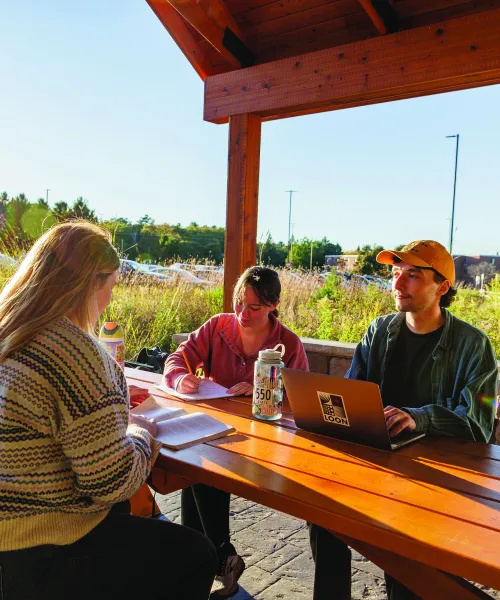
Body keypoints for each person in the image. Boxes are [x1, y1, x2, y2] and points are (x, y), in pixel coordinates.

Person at [0, 221, 217, 600]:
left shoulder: (11, 332)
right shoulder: (71, 351)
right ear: (88, 283)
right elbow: (112, 482)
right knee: (196, 555)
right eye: (111, 285)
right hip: (38, 549)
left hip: (11, 538)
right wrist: (139, 433)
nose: (110, 299)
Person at [308, 240, 498, 600]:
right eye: (396, 274)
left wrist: (419, 418)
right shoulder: (379, 331)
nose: (397, 285)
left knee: (408, 569)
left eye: (412, 275)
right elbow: (351, 396)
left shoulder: (475, 346)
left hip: (437, 483)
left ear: (442, 287)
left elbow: (479, 425)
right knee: (322, 515)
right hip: (377, 468)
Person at [163, 265, 309, 597]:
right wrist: (180, 377)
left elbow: (303, 398)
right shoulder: (217, 326)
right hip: (214, 430)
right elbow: (178, 358)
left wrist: (265, 388)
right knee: (198, 463)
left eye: (254, 307)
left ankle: (213, 559)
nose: (243, 313)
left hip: (263, 440)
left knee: (201, 465)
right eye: (239, 303)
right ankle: (216, 559)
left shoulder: (288, 343)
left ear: (274, 305)